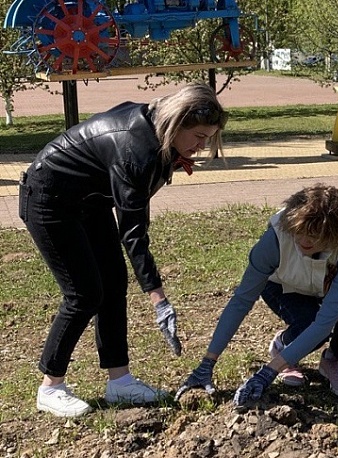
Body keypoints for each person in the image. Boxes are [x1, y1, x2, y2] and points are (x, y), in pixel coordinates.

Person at [19, 83, 228, 417]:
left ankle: (120, 381)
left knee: (114, 282)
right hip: (49, 200)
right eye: (199, 136)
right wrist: (159, 300)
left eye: (208, 138)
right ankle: (50, 386)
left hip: (89, 201)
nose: (201, 146)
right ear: (176, 124)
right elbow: (133, 232)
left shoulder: (157, 129)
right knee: (84, 294)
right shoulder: (137, 149)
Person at [175, 183, 338, 406]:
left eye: (314, 235)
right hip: (283, 285)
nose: (303, 240)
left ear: (333, 233)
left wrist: (267, 373)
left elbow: (326, 321)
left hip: (325, 283)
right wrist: (208, 363)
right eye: (299, 231)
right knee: (307, 327)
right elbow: (241, 301)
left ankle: (334, 360)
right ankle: (283, 348)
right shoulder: (275, 238)